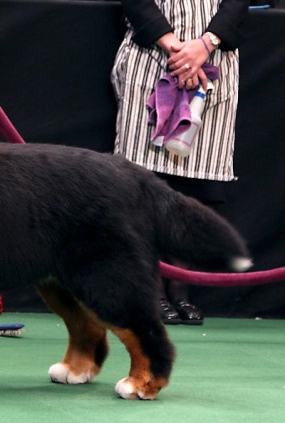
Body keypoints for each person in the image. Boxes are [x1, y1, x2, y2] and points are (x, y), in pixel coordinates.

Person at [111, 0, 248, 324]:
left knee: (194, 192)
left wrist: (204, 44)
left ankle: (179, 291)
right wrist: (176, 47)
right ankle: (150, 293)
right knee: (142, 190)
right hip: (153, 58)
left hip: (213, 59)